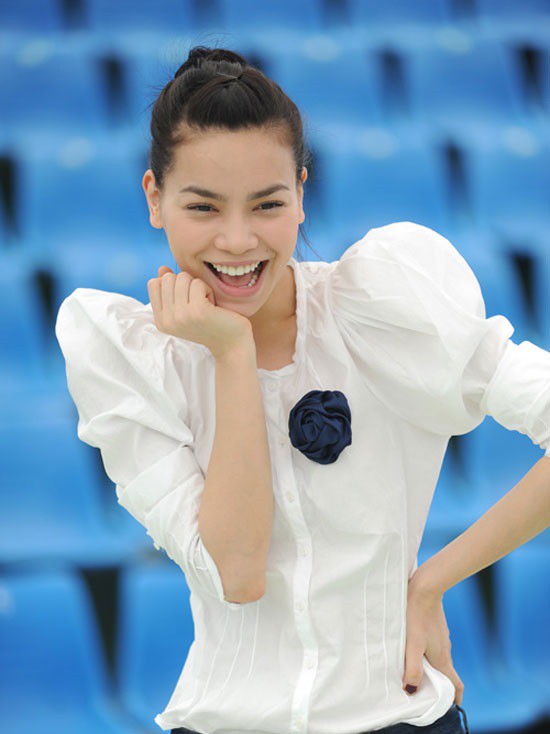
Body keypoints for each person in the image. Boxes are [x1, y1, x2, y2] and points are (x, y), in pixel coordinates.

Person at [54, 46, 550, 734]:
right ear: (155, 198)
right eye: (203, 206)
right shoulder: (133, 359)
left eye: (267, 204)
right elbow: (239, 573)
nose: (237, 240)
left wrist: (433, 579)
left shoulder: (381, 307)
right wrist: (232, 354)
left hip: (398, 711)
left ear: (301, 194)